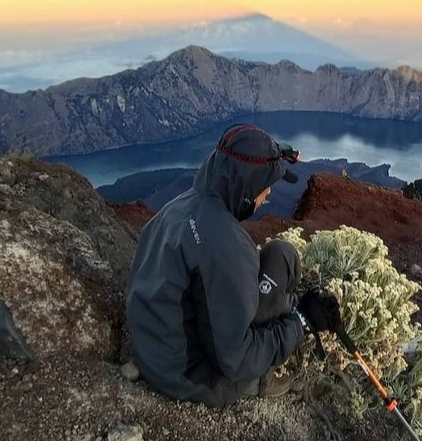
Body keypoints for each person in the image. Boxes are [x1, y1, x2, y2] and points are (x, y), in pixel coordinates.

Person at [126, 123, 342, 406]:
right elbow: (235, 359)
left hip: (151, 347)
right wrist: (300, 323)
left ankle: (288, 310)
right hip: (189, 377)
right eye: (265, 187)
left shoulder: (182, 205)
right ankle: (263, 379)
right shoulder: (224, 244)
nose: (268, 196)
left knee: (279, 255)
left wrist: (279, 152)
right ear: (246, 188)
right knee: (282, 258)